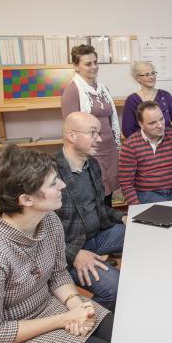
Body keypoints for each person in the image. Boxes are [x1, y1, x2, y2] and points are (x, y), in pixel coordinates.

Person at [0, 144, 112, 343]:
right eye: (54, 183)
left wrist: (76, 304)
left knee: (118, 333)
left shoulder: (49, 220)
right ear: (26, 199)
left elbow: (58, 273)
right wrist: (65, 319)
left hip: (44, 309)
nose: (63, 185)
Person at [56, 112, 127, 312]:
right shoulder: (49, 172)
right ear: (71, 135)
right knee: (116, 288)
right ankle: (78, 319)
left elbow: (98, 207)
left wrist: (122, 216)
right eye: (93, 133)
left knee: (141, 232)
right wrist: (74, 253)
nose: (100, 138)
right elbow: (38, 231)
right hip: (68, 250)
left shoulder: (92, 164)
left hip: (96, 237)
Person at [61, 44, 120, 205]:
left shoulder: (102, 88)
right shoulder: (72, 91)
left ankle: (108, 226)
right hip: (91, 151)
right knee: (95, 194)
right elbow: (71, 128)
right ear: (76, 66)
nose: (94, 67)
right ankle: (99, 228)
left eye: (95, 62)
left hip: (109, 148)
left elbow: (109, 120)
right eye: (88, 64)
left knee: (108, 194)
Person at [119, 101, 172, 204]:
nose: (160, 125)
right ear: (141, 124)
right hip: (147, 194)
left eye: (161, 119)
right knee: (165, 217)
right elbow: (126, 183)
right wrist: (137, 208)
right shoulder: (130, 145)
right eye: (152, 123)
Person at [122, 61, 172, 137]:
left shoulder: (165, 96)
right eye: (146, 74)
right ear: (138, 78)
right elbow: (127, 130)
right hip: (142, 146)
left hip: (167, 144)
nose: (151, 77)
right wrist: (139, 145)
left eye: (153, 73)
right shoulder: (132, 100)